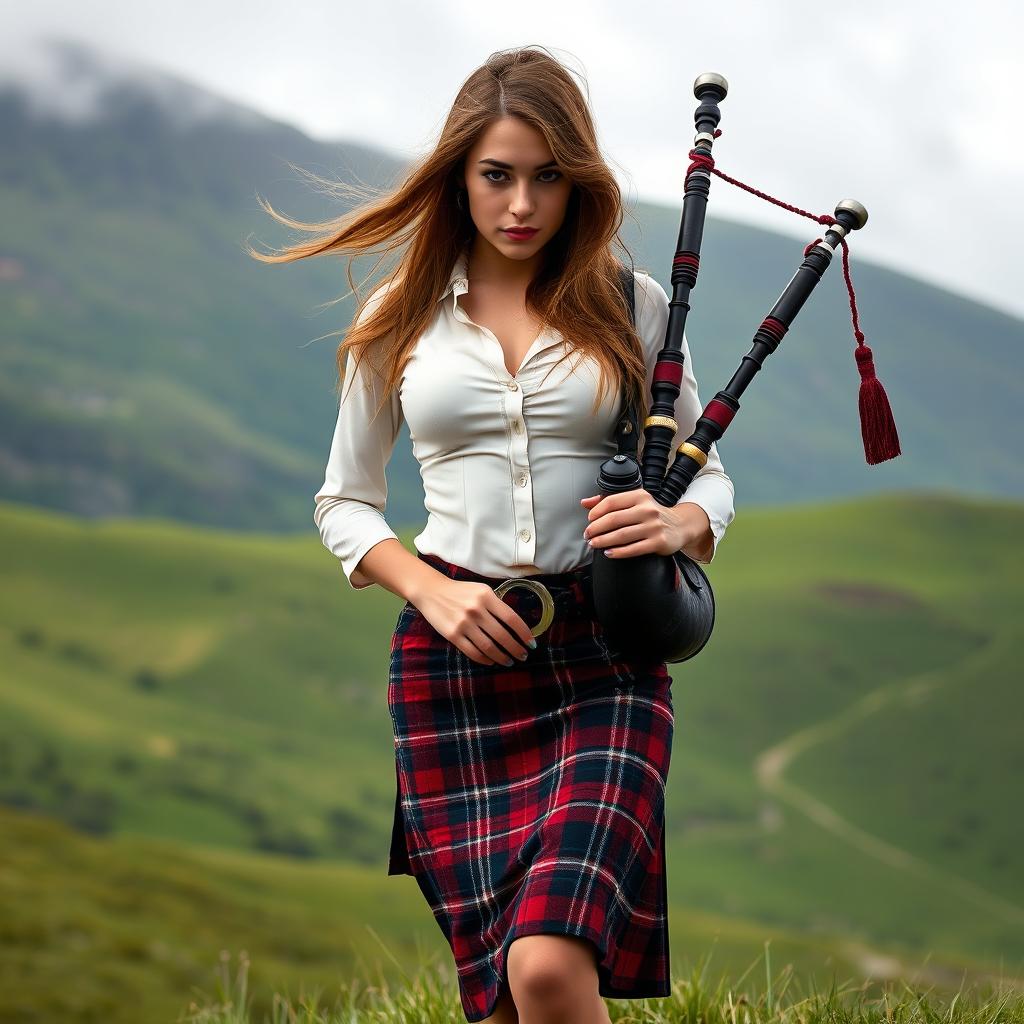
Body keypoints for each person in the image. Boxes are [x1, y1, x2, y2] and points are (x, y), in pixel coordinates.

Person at [251, 45, 734, 1024]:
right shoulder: (401, 318)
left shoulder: (634, 307)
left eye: (548, 177)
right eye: (497, 175)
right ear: (459, 176)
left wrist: (677, 519)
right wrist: (429, 588)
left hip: (606, 660)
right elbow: (344, 502)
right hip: (454, 666)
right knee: (508, 998)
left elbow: (709, 474)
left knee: (550, 969)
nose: (522, 203)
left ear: (579, 182)